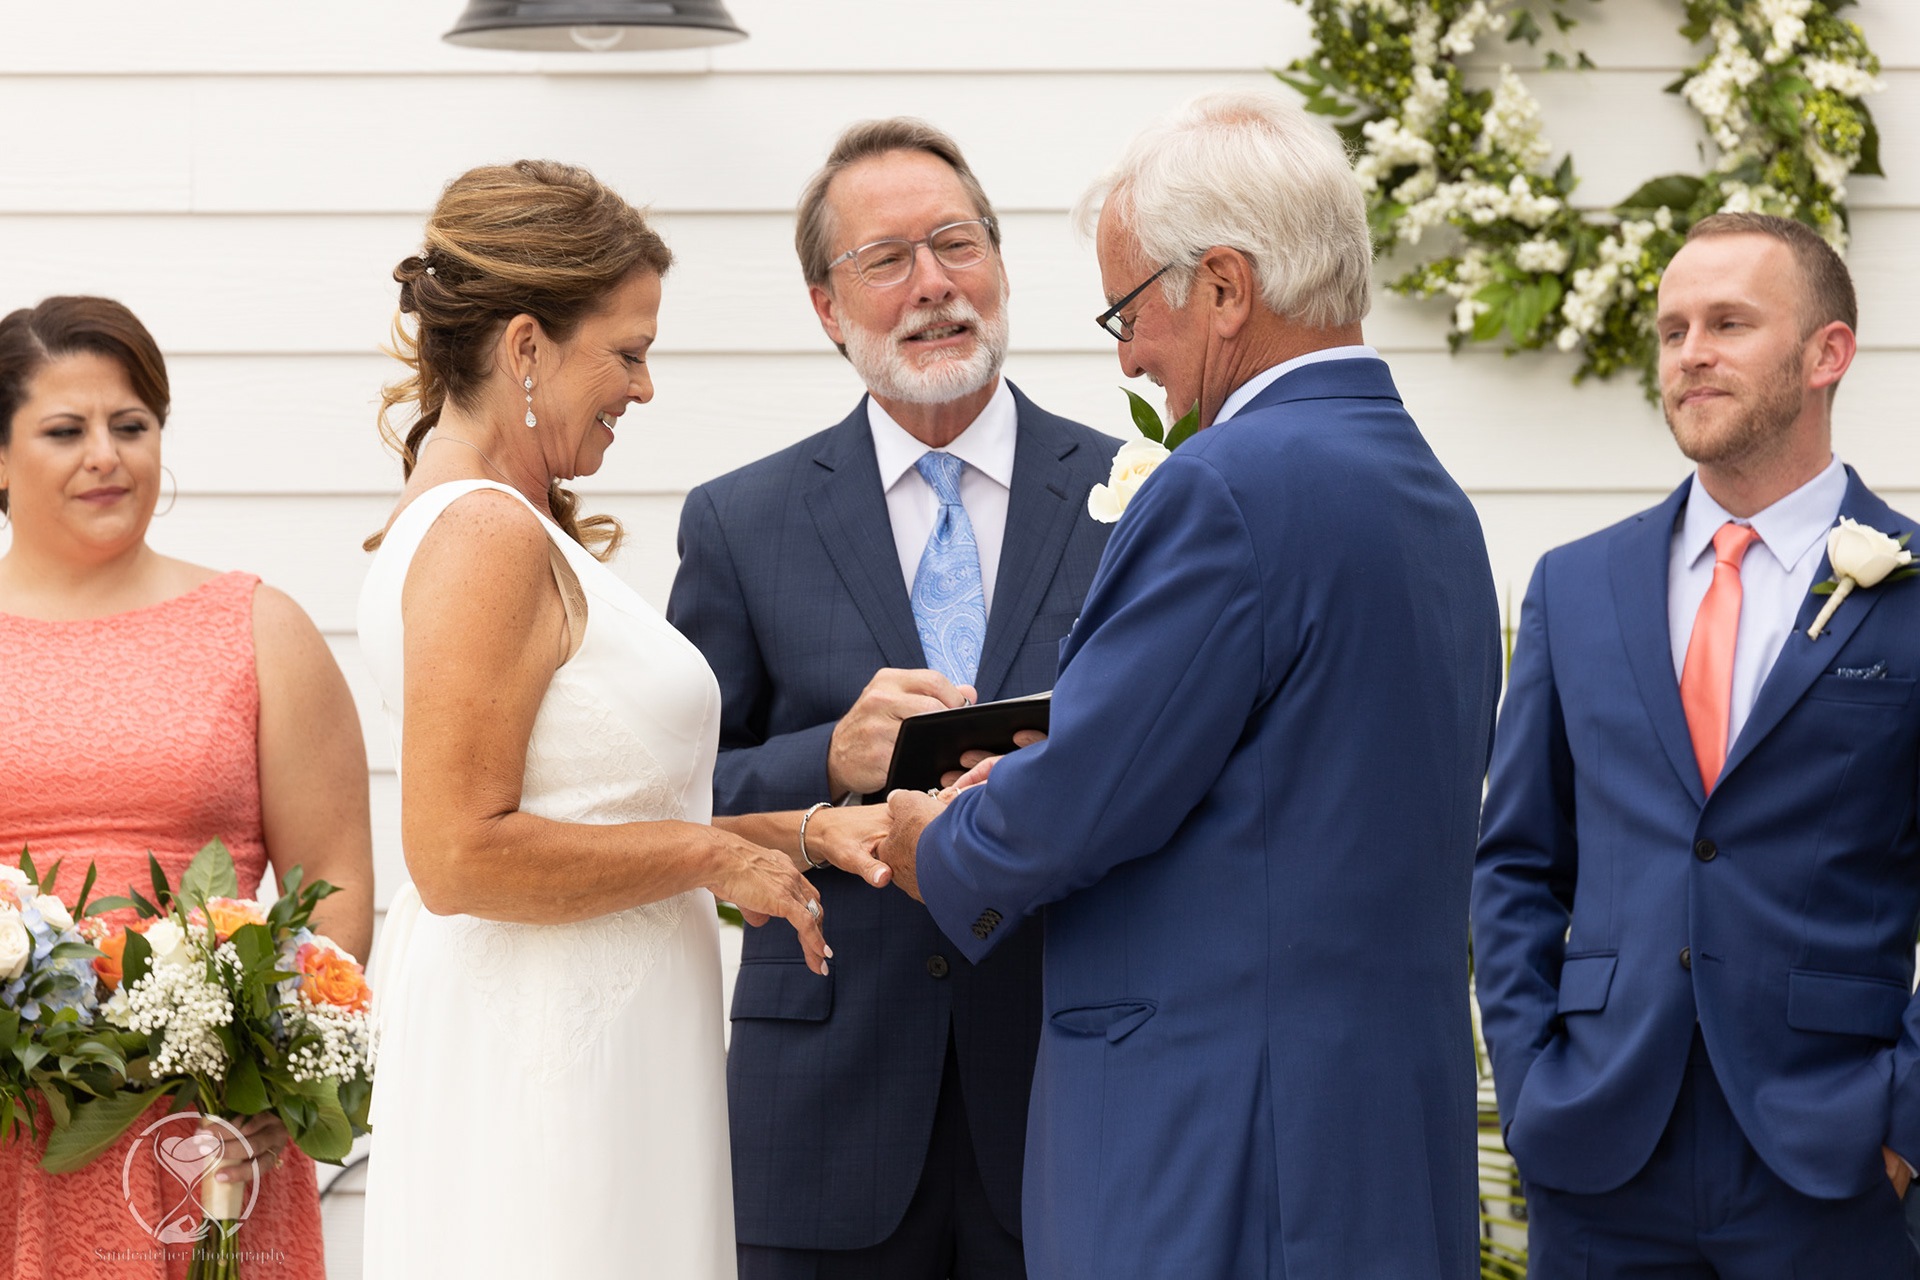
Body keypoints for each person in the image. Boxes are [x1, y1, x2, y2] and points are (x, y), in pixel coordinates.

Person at [877, 91, 1501, 1279]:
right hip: (1380, 1140)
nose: (1127, 354)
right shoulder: (1434, 500)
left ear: (1224, 286)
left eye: (1129, 308)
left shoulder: (1226, 485)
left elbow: (1091, 791)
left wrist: (938, 837)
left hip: (1222, 1147)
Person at [356, 160, 888, 1280]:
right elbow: (457, 853)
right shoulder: (485, 536)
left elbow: (588, 812)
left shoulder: (504, 521)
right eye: (628, 352)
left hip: (611, 1058)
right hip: (546, 1072)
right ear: (526, 347)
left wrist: (798, 833)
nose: (643, 388)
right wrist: (712, 857)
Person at [667, 119, 1119, 1279]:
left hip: (1071, 1088)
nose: (933, 285)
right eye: (887, 259)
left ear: (1000, 262)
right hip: (825, 1106)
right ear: (828, 307)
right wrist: (830, 757)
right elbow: (674, 797)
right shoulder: (740, 522)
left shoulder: (1136, 495)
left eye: (957, 244)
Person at [1473, 213, 1920, 1276]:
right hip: (1599, 1154)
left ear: (1827, 353)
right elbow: (1519, 864)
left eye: (1728, 323)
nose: (1690, 353)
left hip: (1834, 1159)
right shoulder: (1577, 585)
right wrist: (1533, 1087)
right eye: (1673, 330)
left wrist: (1905, 1123)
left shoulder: (1908, 591)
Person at [0, 294, 374, 1278]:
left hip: (205, 1131)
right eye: (65, 431)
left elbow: (332, 882)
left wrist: (266, 1073)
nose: (106, 456)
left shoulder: (259, 628)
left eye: (131, 425)